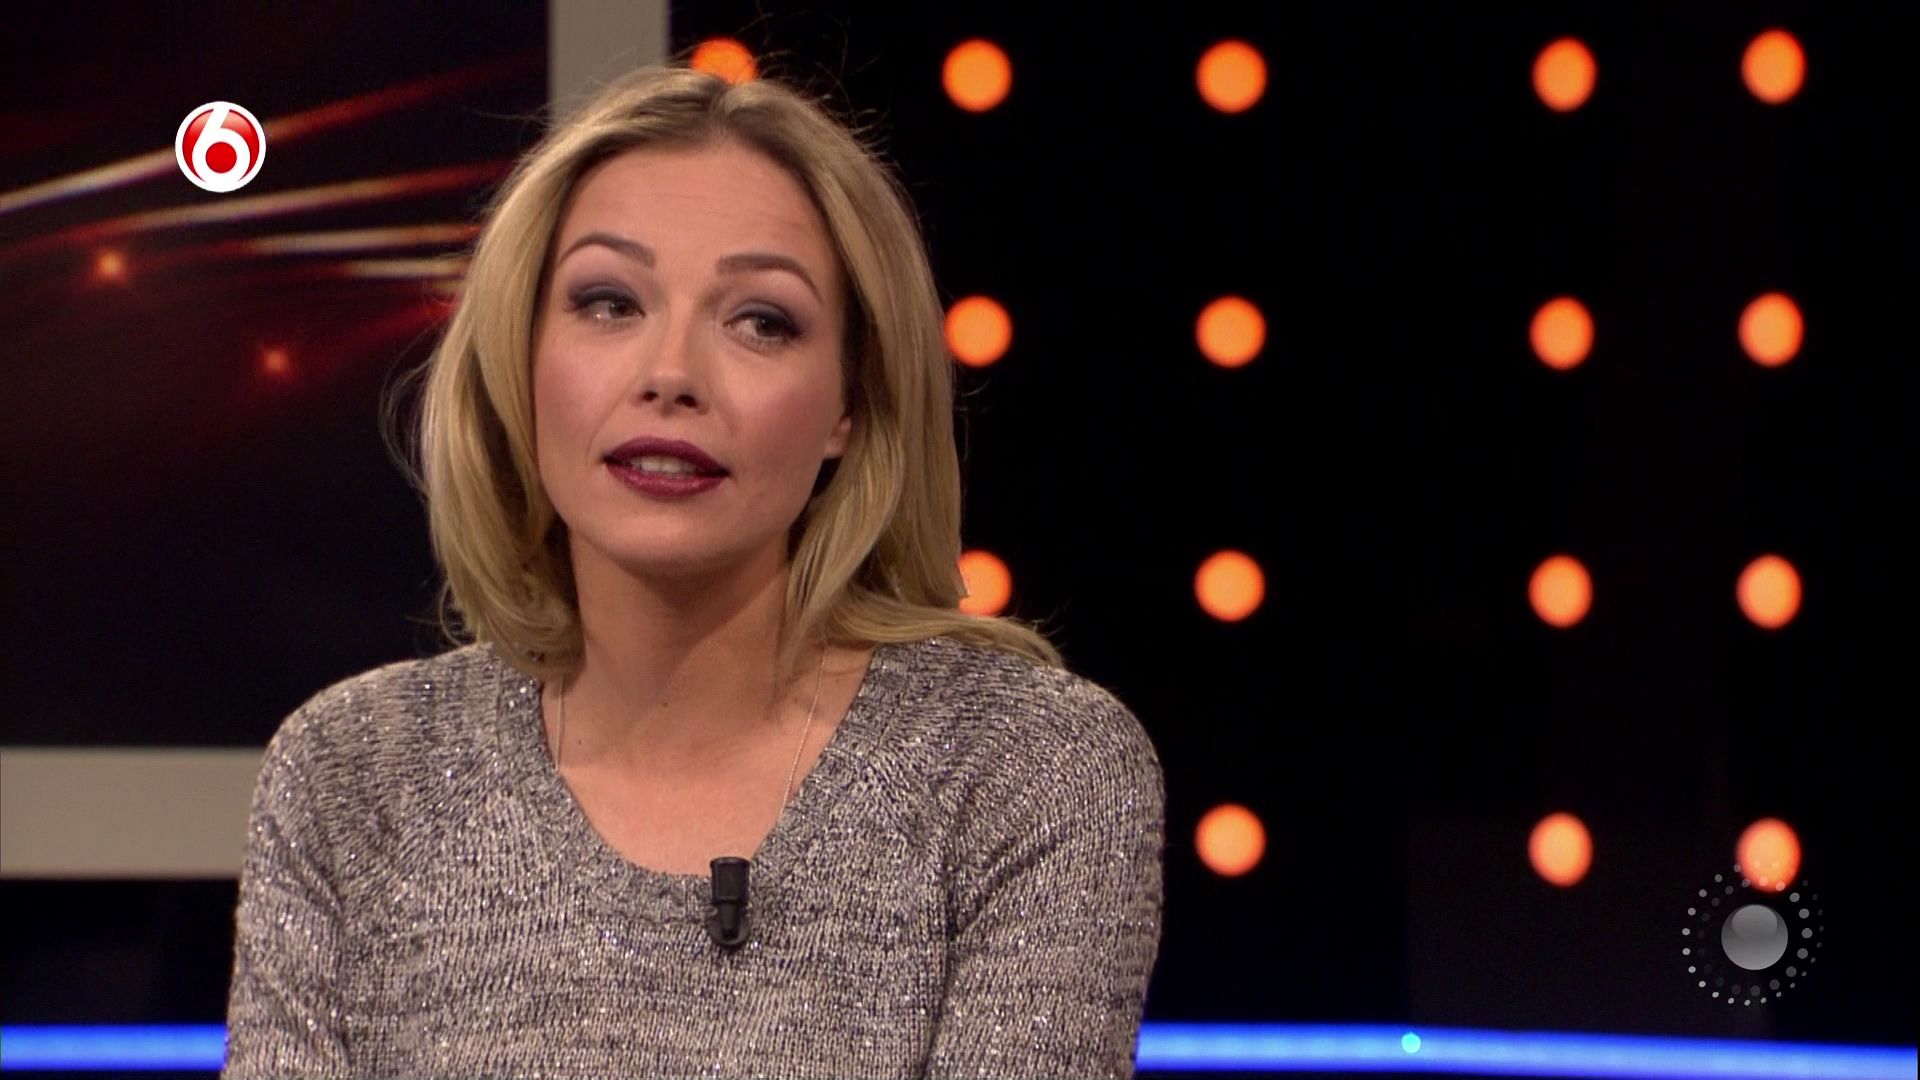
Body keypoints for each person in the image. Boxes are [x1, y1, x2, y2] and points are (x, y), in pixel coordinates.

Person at [221, 62, 1166, 1079]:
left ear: (851, 402)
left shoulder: (1021, 771)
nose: (670, 375)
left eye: (762, 320)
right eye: (608, 302)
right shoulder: (355, 776)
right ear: (518, 358)